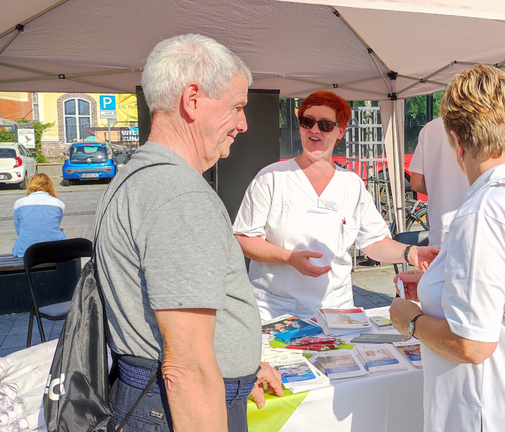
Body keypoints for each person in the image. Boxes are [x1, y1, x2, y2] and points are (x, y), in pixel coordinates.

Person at [95, 34, 282, 432]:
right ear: (192, 100)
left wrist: (242, 369)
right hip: (170, 407)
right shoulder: (179, 196)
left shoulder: (138, 175)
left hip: (152, 398)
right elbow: (187, 367)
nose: (243, 124)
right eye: (237, 107)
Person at [389, 64, 505, 432]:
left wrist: (408, 320)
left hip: (487, 414)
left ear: (456, 140)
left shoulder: (485, 209)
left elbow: (471, 344)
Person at [233, 91, 439, 320]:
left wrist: (411, 252)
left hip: (336, 312)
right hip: (276, 312)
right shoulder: (271, 177)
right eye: (307, 121)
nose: (314, 130)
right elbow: (244, 237)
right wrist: (287, 257)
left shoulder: (351, 184)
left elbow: (373, 242)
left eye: (325, 125)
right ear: (300, 127)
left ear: (340, 131)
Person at [409, 117, 469, 248]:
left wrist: (442, 190)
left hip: (441, 231)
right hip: (475, 232)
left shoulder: (430, 128)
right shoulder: (486, 124)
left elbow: (416, 182)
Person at [12, 173, 67, 257]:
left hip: (25, 251)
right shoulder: (58, 204)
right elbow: (55, 224)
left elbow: (19, 230)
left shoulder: (19, 203)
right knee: (60, 234)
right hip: (54, 250)